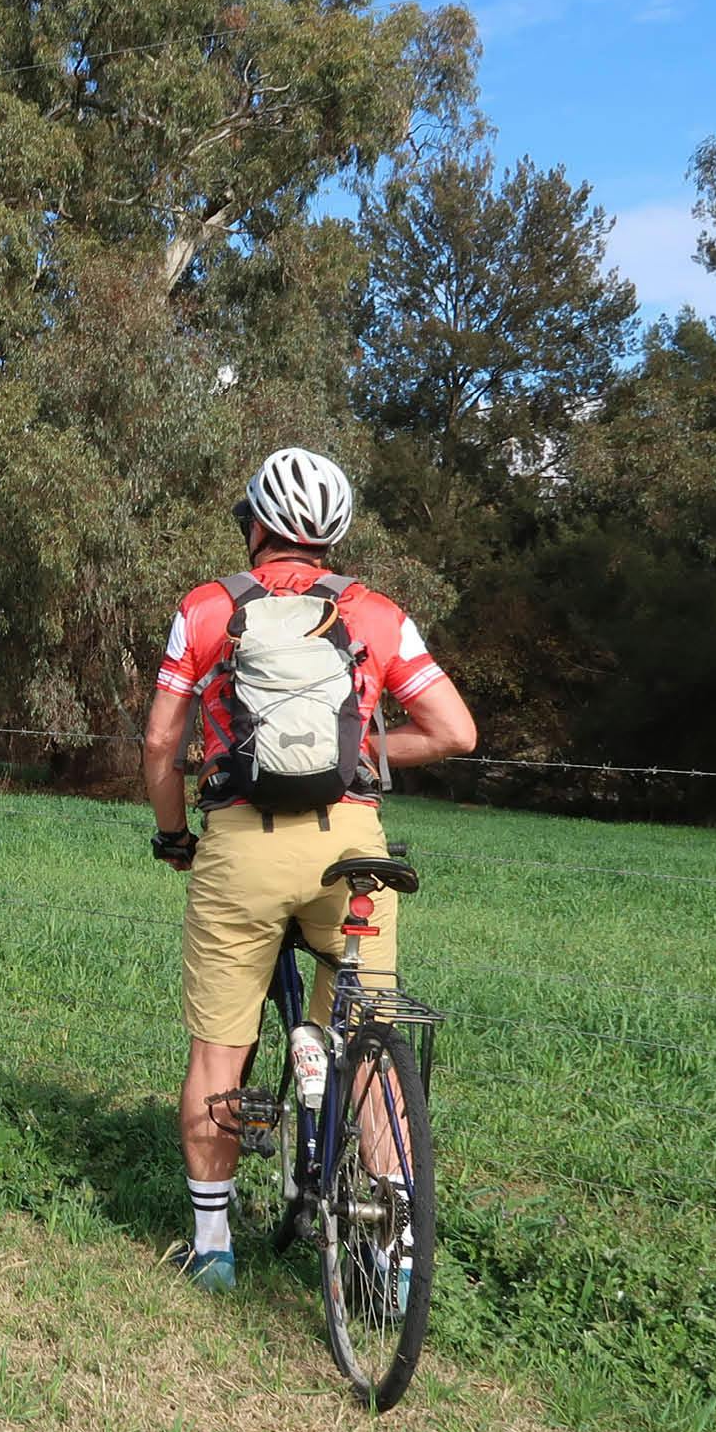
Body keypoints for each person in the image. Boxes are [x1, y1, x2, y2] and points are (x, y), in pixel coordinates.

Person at [141, 448, 477, 1290]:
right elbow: (454, 731)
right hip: (351, 852)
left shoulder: (208, 608)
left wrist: (175, 835)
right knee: (368, 1047)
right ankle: (396, 1258)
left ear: (254, 523)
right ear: (334, 537)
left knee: (219, 1053)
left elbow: (158, 743)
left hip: (242, 847)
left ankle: (214, 1249)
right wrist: (359, 755)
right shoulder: (377, 616)